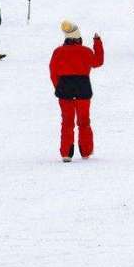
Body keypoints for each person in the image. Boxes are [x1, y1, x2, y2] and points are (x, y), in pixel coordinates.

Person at [49, 21, 104, 162]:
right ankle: (85, 151)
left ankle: (66, 153)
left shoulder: (58, 52)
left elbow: (53, 72)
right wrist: (97, 42)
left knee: (67, 122)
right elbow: (98, 61)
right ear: (79, 39)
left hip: (65, 90)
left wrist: (59, 87)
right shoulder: (86, 51)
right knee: (84, 121)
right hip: (83, 90)